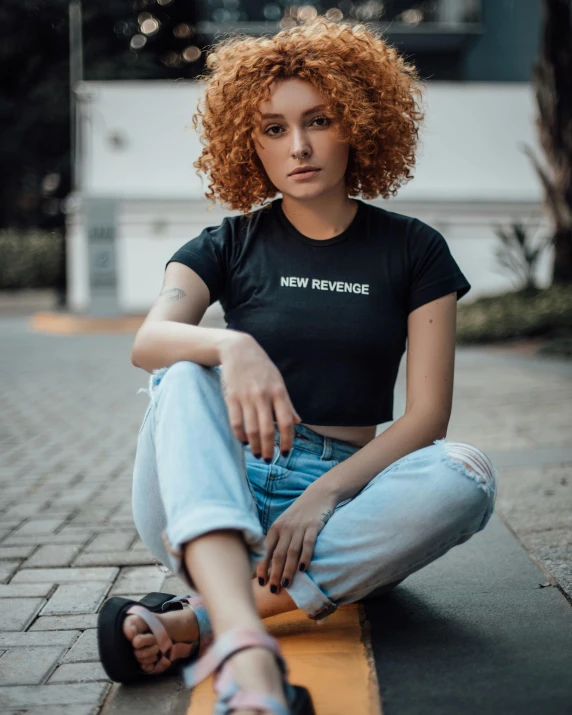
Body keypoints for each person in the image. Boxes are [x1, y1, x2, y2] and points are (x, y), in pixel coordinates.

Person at [97, 17, 498, 715]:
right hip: (212, 484)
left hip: (340, 501)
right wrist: (231, 344)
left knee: (466, 474)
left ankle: (196, 620)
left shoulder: (414, 250)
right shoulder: (227, 242)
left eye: (319, 120)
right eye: (274, 129)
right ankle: (250, 650)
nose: (300, 146)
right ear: (247, 143)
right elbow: (151, 338)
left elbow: (428, 416)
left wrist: (324, 496)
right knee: (184, 372)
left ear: (359, 124)